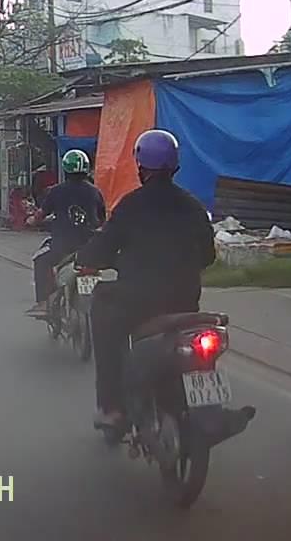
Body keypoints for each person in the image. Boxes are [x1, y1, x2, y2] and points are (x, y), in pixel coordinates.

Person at [77, 129, 216, 428]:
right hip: (184, 303)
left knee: (102, 311)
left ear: (141, 166)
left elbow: (101, 247)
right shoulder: (193, 206)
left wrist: (87, 260)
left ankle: (112, 407)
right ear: (175, 165)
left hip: (136, 303)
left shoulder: (130, 205)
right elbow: (208, 256)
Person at [25, 150, 106, 317]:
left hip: (62, 247)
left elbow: (41, 215)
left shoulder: (56, 191)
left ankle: (43, 303)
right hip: (89, 246)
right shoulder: (95, 192)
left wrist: (31, 221)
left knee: (40, 260)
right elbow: (101, 220)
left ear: (66, 169)